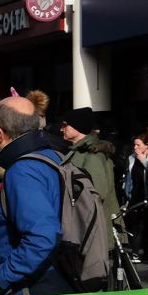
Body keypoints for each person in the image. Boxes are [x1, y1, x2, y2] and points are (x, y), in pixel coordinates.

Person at [0, 95, 67, 295]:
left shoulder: (22, 170)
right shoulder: (55, 157)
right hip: (58, 278)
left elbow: (43, 236)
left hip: (32, 289)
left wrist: (2, 278)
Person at [57, 108, 120, 253]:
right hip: (84, 226)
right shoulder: (78, 151)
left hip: (91, 228)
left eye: (65, 124)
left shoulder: (91, 154)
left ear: (78, 126)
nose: (62, 128)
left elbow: (97, 193)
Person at [122, 134, 148, 259]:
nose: (135, 147)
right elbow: (128, 177)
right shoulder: (131, 157)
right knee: (134, 224)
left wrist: (143, 159)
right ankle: (135, 252)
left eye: (138, 145)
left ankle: (146, 252)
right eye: (134, 144)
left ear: (147, 145)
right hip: (134, 195)